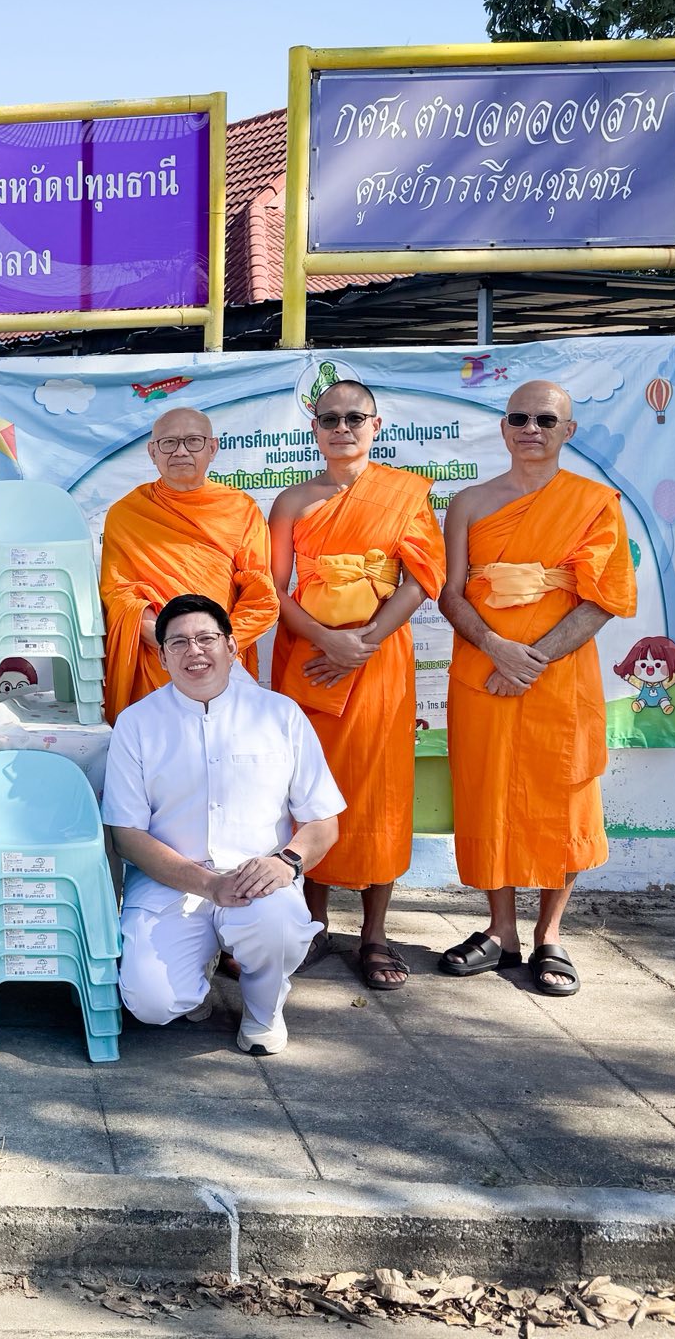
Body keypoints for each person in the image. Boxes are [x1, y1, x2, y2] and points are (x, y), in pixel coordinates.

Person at [436, 381, 636, 997]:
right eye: (519, 417)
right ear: (503, 428)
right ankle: (501, 931)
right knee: (487, 794)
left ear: (566, 431)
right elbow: (450, 592)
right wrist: (496, 647)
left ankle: (550, 934)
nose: (532, 428)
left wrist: (532, 659)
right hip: (482, 672)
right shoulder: (468, 503)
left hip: (560, 676)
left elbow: (604, 599)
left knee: (562, 797)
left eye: (545, 419)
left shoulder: (595, 502)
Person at [104, 594, 344, 1057]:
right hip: (172, 881)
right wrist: (209, 885)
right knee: (151, 1003)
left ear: (232, 647)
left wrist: (287, 863)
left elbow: (323, 820)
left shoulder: (280, 715)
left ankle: (262, 1012)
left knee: (277, 924)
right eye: (178, 642)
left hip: (257, 876)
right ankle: (199, 966)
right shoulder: (137, 724)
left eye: (206, 638)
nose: (194, 651)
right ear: (162, 655)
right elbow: (127, 836)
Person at [267, 381, 445, 990]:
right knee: (307, 787)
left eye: (354, 418)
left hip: (378, 659)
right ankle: (313, 921)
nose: (341, 428)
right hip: (308, 657)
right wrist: (326, 641)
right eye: (329, 419)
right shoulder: (291, 502)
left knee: (378, 787)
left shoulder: (405, 493)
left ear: (376, 424)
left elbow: (422, 581)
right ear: (313, 428)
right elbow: (273, 591)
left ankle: (374, 933)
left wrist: (359, 645)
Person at [100, 406, 278, 721]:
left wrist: (217, 644)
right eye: (169, 443)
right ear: (152, 452)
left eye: (193, 441)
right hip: (156, 655)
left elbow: (260, 593)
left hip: (223, 655)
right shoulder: (127, 513)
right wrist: (168, 641)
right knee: (157, 753)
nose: (181, 451)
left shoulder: (240, 510)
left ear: (212, 448)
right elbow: (118, 592)